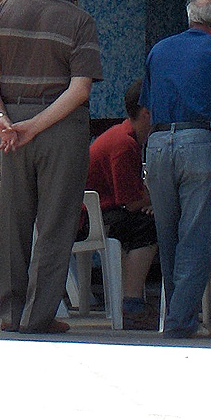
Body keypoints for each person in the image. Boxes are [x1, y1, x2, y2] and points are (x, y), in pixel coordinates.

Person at [0, 0, 102, 334]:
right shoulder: (80, 21)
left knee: (12, 220)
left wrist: (3, 120)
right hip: (59, 129)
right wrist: (37, 125)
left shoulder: (5, 8)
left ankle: (9, 313)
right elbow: (79, 89)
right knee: (56, 224)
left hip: (10, 128)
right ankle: (38, 315)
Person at [141, 0, 211, 338]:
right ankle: (180, 322)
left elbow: (147, 107)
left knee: (167, 234)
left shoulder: (159, 50)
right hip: (200, 140)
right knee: (196, 237)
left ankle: (177, 314)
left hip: (157, 142)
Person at [85, 81, 159, 329]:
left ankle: (129, 298)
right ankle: (131, 303)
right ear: (148, 112)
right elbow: (130, 201)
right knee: (150, 226)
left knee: (145, 220)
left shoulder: (126, 136)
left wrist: (149, 201)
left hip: (101, 211)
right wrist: (156, 204)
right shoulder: (124, 143)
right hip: (90, 219)